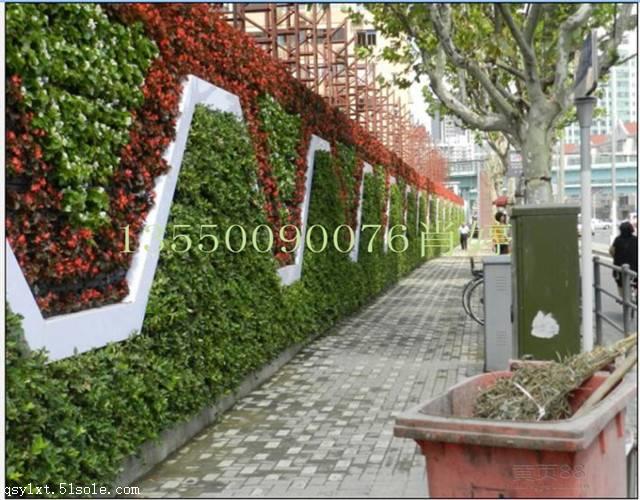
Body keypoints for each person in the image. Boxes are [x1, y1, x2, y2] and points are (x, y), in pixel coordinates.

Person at [609, 221, 638, 298]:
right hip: (635, 269)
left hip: (619, 269)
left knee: (621, 285)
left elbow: (611, 251)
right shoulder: (636, 239)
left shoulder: (617, 240)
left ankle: (625, 300)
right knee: (635, 284)